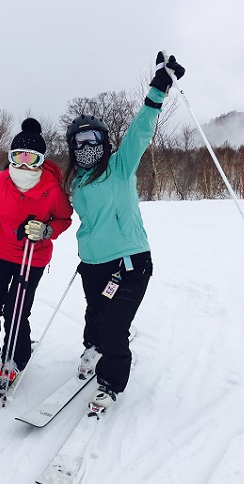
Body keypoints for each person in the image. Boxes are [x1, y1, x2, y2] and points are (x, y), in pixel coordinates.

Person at [63, 51, 185, 410]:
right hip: (92, 264)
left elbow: (141, 130)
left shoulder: (119, 166)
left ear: (104, 142)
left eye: (93, 140)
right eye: (79, 142)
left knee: (116, 326)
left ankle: (111, 381)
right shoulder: (77, 185)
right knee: (95, 316)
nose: (87, 148)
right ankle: (94, 348)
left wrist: (158, 88)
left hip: (130, 262)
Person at [0, 118, 73, 390]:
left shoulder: (52, 189)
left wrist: (47, 230)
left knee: (16, 309)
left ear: (41, 160)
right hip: (1, 252)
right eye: (18, 157)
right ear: (10, 157)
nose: (24, 164)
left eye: (31, 158)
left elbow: (64, 219)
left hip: (32, 257)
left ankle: (14, 357)